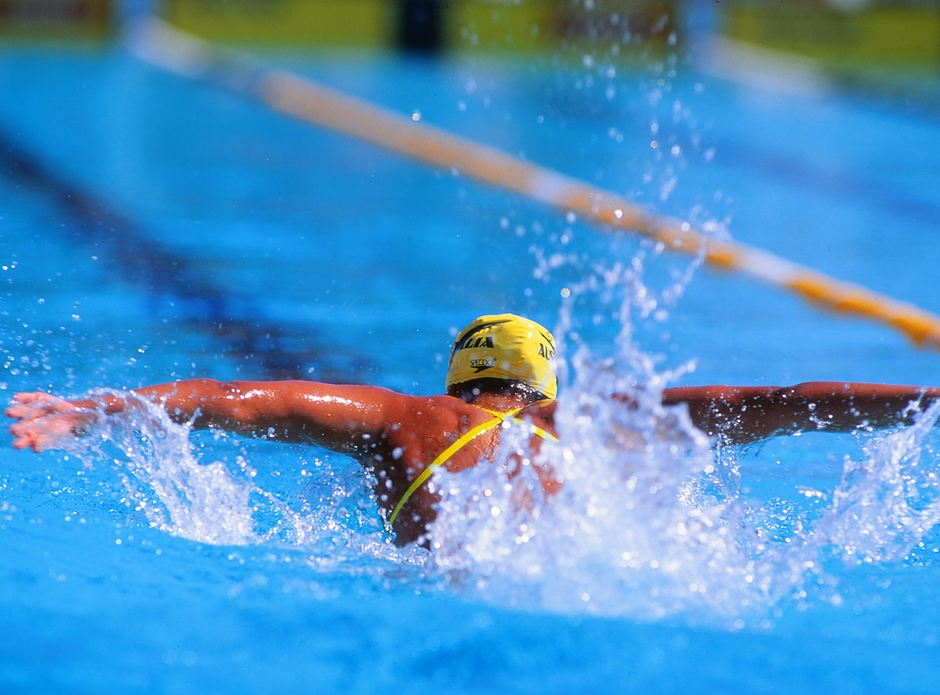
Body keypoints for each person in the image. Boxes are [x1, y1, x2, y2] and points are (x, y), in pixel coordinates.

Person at [6, 313, 940, 545]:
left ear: (459, 380)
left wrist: (86, 411)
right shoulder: (598, 424)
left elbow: (231, 399)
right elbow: (771, 401)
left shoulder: (407, 421)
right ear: (544, 386)